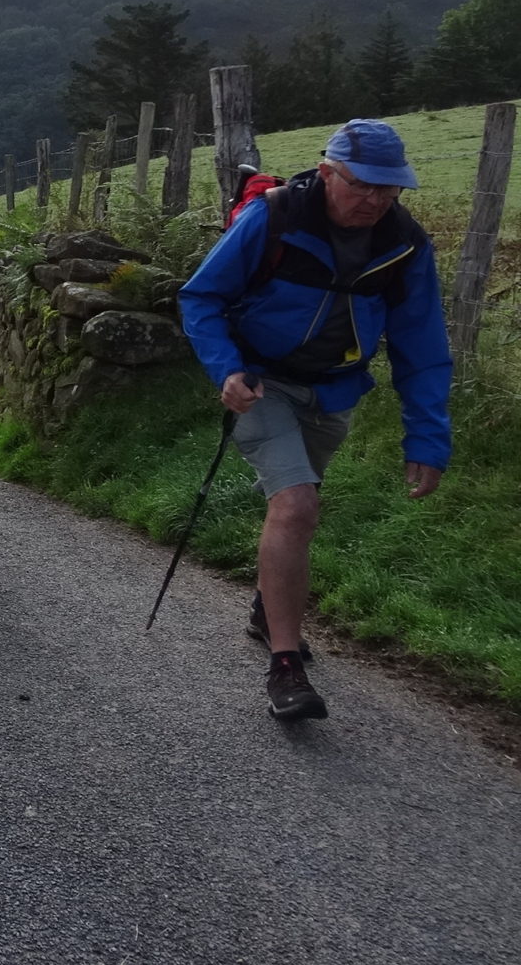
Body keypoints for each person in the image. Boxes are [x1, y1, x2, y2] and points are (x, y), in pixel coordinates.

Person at [178, 119, 451, 722]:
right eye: (363, 185)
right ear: (327, 173)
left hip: (335, 391)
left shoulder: (404, 242)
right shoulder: (274, 218)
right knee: (297, 504)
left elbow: (424, 346)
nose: (376, 200)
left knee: (299, 506)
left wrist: (428, 438)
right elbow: (201, 297)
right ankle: (285, 666)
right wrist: (226, 369)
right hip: (261, 383)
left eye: (389, 188)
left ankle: (267, 607)